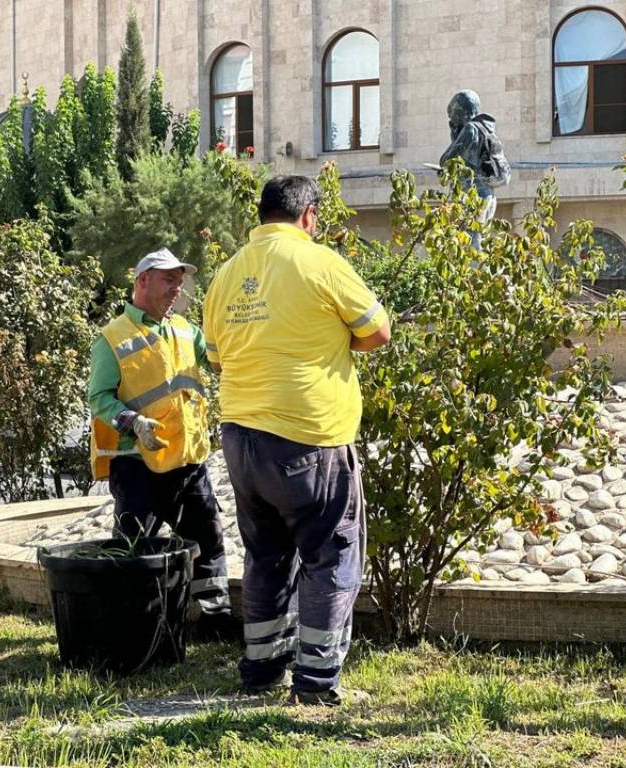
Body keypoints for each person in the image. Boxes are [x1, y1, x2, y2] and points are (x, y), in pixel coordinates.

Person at [203, 176, 391, 704]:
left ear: (262, 215)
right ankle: (316, 684)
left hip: (241, 437)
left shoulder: (226, 274)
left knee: (265, 556)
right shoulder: (322, 263)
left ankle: (262, 671)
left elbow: (216, 358)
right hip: (309, 436)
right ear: (308, 216)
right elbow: (378, 332)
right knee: (331, 555)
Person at [88, 247, 237, 640]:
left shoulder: (187, 330)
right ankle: (134, 624)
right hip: (138, 465)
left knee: (208, 540)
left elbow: (221, 360)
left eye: (179, 281)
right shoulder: (112, 338)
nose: (177, 289)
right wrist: (133, 422)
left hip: (188, 462)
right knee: (137, 549)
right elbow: (99, 398)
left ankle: (215, 621)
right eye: (169, 280)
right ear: (142, 282)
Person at [439, 89, 510, 245]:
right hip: (487, 193)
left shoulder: (470, 129)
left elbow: (446, 160)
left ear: (461, 111)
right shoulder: (485, 128)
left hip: (472, 193)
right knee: (479, 238)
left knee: (470, 241)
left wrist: (454, 136)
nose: (451, 118)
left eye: (452, 113)